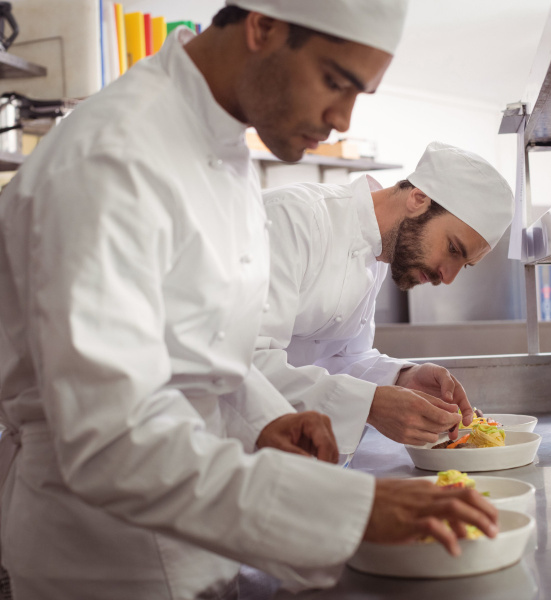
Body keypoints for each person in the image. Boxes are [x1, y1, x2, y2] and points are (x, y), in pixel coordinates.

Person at [0, 1, 498, 598]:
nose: (341, 119)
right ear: (263, 26)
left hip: (203, 535)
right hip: (104, 558)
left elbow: (208, 353)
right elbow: (111, 438)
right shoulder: (112, 159)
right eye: (336, 81)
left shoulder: (222, 154)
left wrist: (269, 420)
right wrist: (346, 508)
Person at [254, 141, 515, 455]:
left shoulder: (378, 255)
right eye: (453, 250)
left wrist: (404, 377)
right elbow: (244, 364)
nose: (448, 277)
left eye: (465, 264)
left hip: (294, 458)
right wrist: (370, 405)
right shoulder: (293, 219)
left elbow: (341, 358)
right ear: (418, 199)